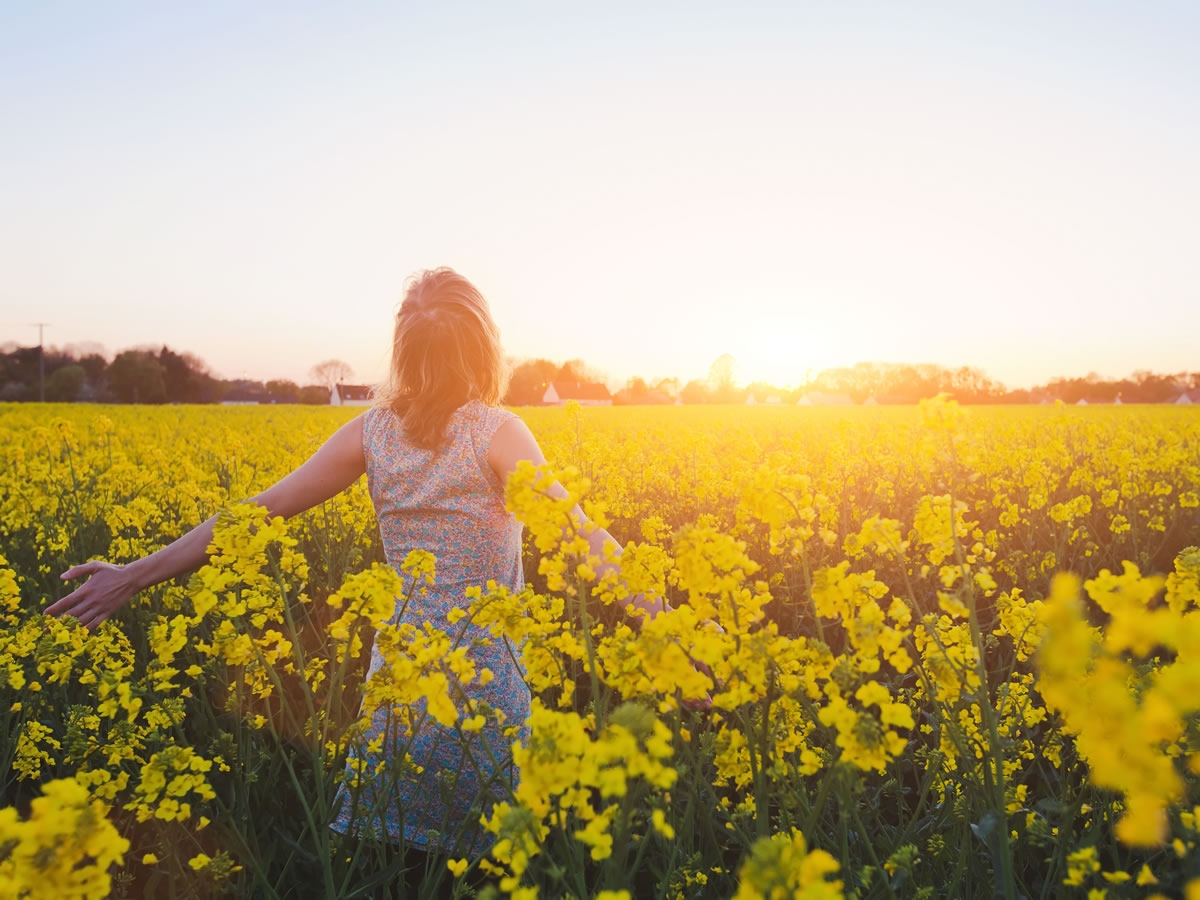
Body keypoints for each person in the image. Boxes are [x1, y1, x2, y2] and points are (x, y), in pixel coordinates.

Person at [46, 267, 671, 891]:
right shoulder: (499, 433)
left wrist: (134, 575)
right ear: (484, 345)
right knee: (490, 873)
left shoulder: (372, 434)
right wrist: (669, 635)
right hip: (484, 688)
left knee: (393, 871)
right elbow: (580, 534)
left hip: (397, 686)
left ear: (403, 349)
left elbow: (250, 516)